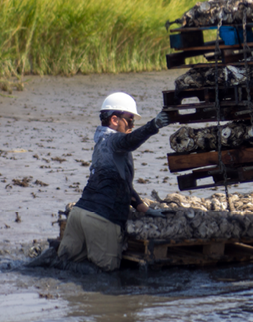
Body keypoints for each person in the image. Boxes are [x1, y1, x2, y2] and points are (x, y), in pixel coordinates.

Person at [57, 92, 171, 271]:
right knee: (105, 274)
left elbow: (121, 184)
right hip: (102, 219)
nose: (132, 126)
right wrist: (153, 125)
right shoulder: (115, 141)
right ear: (115, 120)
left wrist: (145, 209)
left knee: (63, 264)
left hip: (79, 214)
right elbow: (131, 140)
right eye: (130, 121)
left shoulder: (100, 142)